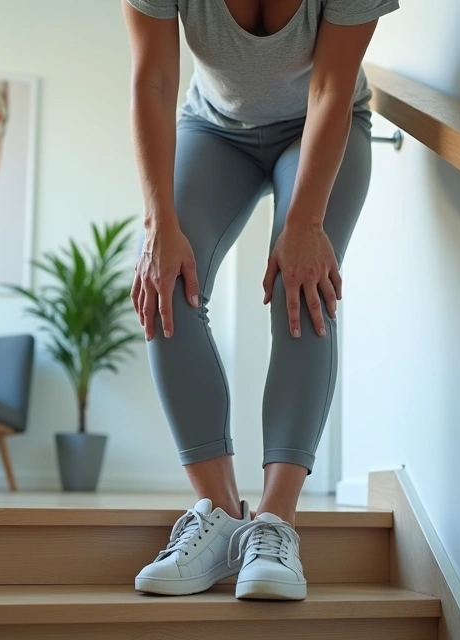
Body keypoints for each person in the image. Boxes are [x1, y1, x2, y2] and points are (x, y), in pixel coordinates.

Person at [122, 0, 397, 601]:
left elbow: (330, 85)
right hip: (214, 129)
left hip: (322, 125)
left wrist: (305, 222)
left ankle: (274, 525)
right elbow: (153, 79)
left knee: (303, 282)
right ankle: (218, 518)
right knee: (166, 278)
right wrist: (157, 223)